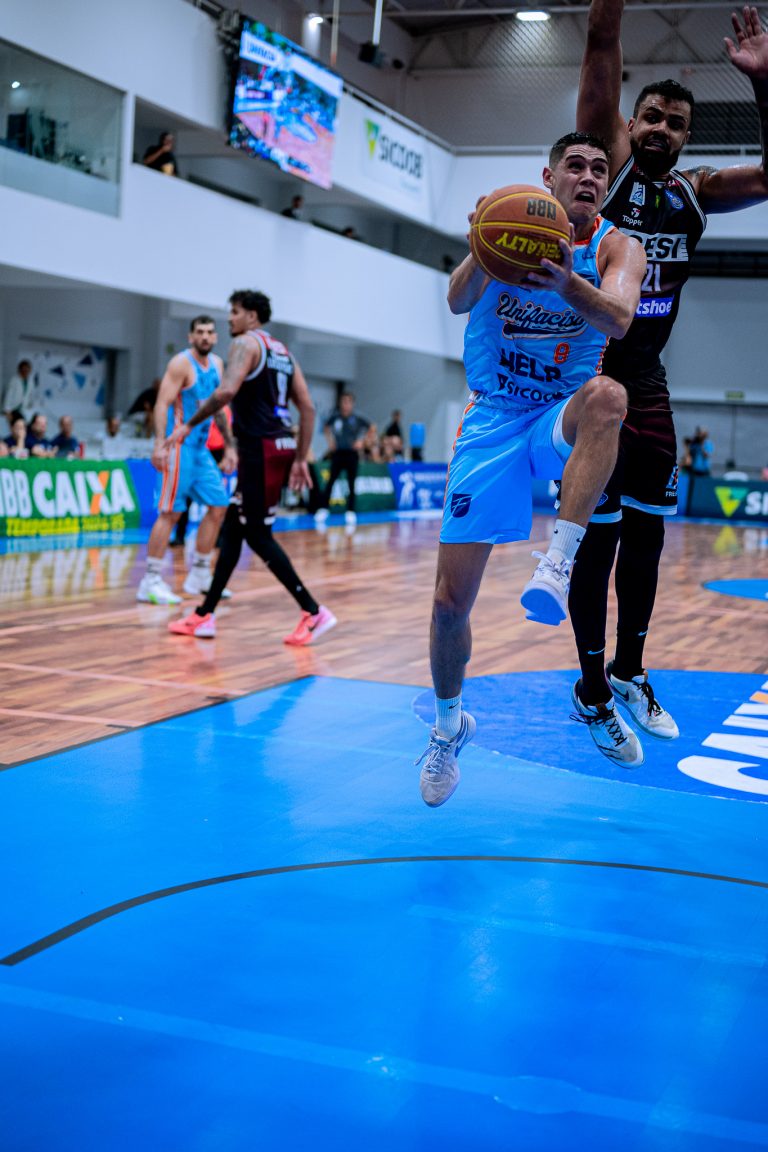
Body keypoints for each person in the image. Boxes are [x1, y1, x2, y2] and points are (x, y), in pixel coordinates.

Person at [416, 132, 646, 807]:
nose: (588, 176)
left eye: (599, 168)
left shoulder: (617, 247)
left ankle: (558, 562)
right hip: (492, 417)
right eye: (575, 166)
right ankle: (448, 728)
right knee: (449, 606)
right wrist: (484, 246)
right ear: (549, 177)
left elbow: (621, 319)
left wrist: (566, 281)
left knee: (609, 397)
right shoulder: (508, 218)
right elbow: (457, 300)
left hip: (557, 415)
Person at [569, 0, 768, 763]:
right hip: (590, 379)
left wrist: (763, 82)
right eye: (650, 116)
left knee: (650, 535)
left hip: (649, 379)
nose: (659, 128)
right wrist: (609, 15)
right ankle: (591, 686)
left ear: (687, 137)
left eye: (674, 123)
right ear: (630, 122)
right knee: (599, 539)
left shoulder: (695, 193)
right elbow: (600, 46)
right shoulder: (610, 168)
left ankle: (629, 669)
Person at [165, 289, 336, 644]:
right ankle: (205, 614)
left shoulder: (245, 343)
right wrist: (300, 456)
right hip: (279, 446)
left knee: (257, 534)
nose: (230, 318)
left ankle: (313, 611)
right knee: (234, 526)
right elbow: (307, 407)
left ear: (252, 316)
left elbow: (226, 392)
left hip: (259, 449)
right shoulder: (283, 352)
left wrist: (189, 424)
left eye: (235, 311)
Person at [137, 316, 236, 606]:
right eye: (199, 332)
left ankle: (200, 574)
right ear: (190, 337)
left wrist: (229, 446)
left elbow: (218, 408)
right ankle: (150, 581)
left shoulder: (217, 365)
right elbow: (162, 403)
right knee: (171, 513)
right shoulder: (181, 363)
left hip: (201, 449)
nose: (205, 337)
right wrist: (159, 444)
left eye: (210, 332)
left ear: (216, 337)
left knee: (219, 506)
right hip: (177, 446)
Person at [314, 391, 370, 527]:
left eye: (348, 402)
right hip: (338, 453)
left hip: (352, 454)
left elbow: (371, 428)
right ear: (340, 403)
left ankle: (350, 511)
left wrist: (362, 442)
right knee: (331, 481)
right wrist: (330, 441)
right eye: (344, 401)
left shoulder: (357, 418)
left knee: (351, 483)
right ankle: (323, 509)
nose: (346, 404)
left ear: (352, 403)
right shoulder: (335, 417)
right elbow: (326, 427)